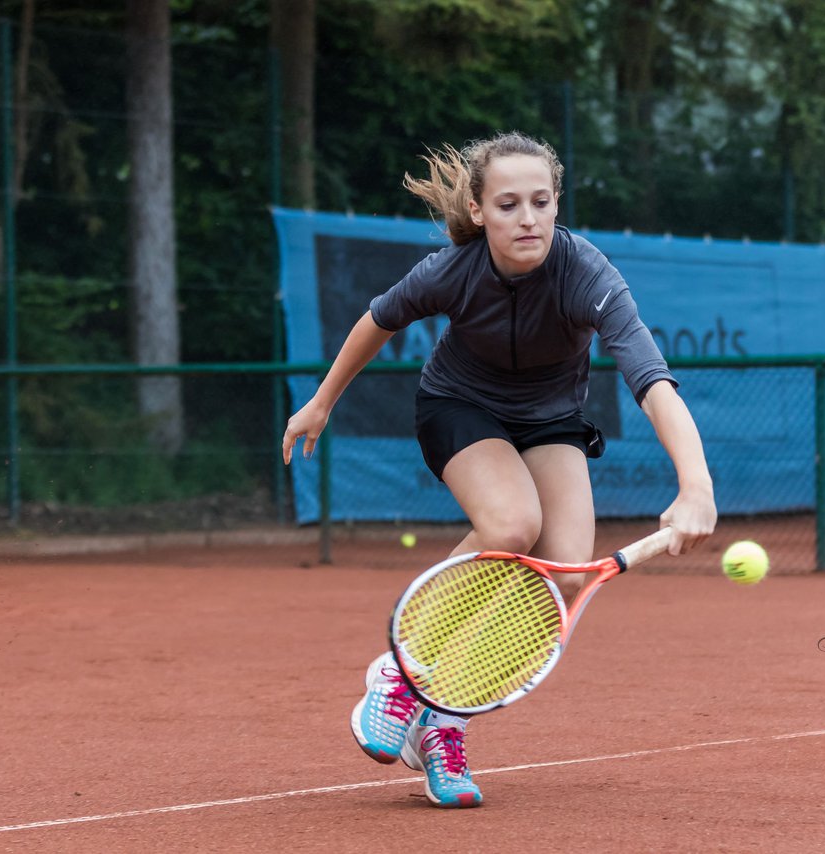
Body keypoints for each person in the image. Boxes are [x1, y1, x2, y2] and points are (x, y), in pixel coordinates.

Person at [281, 131, 716, 808]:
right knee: (513, 525)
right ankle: (402, 673)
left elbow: (652, 381)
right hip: (460, 407)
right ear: (479, 212)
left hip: (550, 423)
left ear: (557, 204)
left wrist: (697, 486)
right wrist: (320, 401)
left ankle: (442, 724)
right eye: (509, 204)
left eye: (541, 202)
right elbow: (378, 320)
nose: (529, 218)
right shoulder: (451, 270)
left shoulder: (587, 274)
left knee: (562, 580)